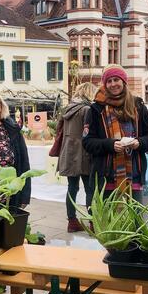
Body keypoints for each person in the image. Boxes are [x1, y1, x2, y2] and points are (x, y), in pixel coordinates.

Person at [83, 64, 148, 202]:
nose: (113, 84)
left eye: (116, 80)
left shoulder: (138, 106)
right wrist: (110, 145)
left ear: (123, 81)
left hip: (134, 176)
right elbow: (87, 142)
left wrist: (139, 143)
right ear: (105, 84)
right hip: (105, 179)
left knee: (135, 222)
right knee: (108, 221)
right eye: (109, 81)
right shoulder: (95, 109)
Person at [58, 82, 97, 232]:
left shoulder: (67, 109)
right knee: (90, 189)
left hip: (68, 152)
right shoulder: (87, 109)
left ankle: (72, 221)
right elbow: (88, 133)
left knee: (72, 188)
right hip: (84, 153)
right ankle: (93, 223)